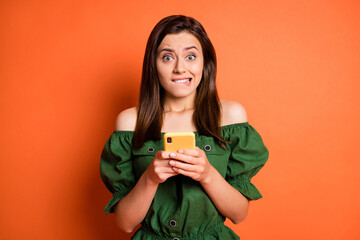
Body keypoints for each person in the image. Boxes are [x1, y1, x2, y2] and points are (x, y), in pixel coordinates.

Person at [100, 15, 269, 240]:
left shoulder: (230, 116)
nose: (180, 68)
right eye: (167, 57)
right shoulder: (130, 122)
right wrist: (150, 178)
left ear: (205, 63)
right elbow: (125, 223)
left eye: (191, 56)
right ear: (153, 64)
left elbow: (239, 214)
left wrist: (207, 174)